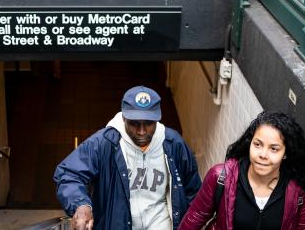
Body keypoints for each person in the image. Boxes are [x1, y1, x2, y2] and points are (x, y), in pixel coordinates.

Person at [179, 111, 305, 230]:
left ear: (285, 153)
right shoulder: (221, 177)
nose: (263, 155)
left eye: (274, 149)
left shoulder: (295, 191)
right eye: (257, 145)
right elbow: (192, 222)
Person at [54, 85, 202, 230]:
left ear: (157, 119)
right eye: (134, 124)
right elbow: (69, 174)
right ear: (124, 117)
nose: (142, 131)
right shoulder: (105, 143)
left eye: (149, 123)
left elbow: (193, 191)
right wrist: (81, 204)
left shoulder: (173, 143)